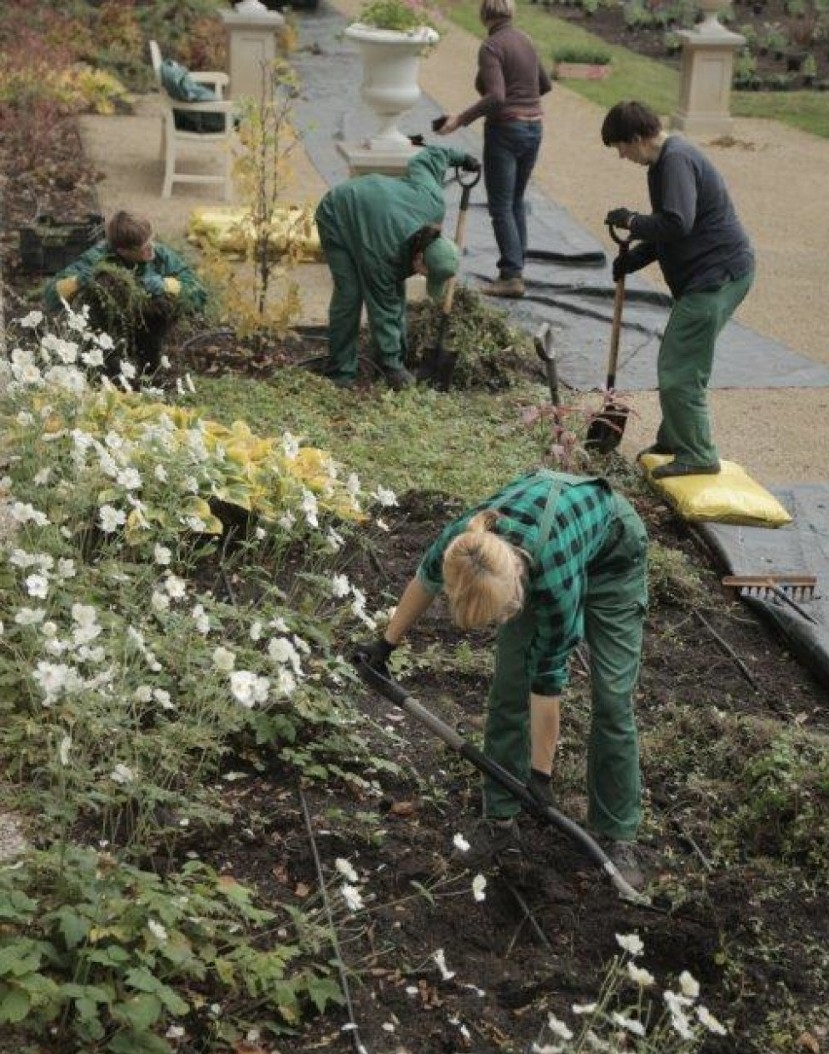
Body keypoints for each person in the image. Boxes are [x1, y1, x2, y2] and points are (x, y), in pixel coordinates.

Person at [357, 469, 649, 889]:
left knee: (613, 699)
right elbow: (425, 579)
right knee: (509, 686)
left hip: (612, 557)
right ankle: (500, 818)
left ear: (515, 592)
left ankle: (617, 832)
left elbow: (548, 682)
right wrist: (384, 645)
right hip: (538, 550)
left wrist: (541, 778)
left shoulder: (551, 581)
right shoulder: (466, 543)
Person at [601, 101, 755, 480]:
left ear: (637, 138)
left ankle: (698, 453)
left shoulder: (676, 161)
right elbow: (671, 230)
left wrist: (633, 220)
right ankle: (674, 439)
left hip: (716, 277)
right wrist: (634, 259)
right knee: (683, 358)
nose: (621, 155)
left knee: (679, 367)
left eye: (621, 146)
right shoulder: (663, 163)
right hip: (714, 275)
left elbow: (676, 223)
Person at [315, 145, 478, 391]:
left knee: (391, 284)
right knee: (350, 294)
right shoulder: (384, 256)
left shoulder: (433, 202)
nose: (423, 278)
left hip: (378, 213)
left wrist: (461, 158)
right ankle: (341, 372)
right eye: (425, 274)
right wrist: (395, 369)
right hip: (339, 211)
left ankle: (388, 356)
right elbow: (384, 308)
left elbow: (427, 160)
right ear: (420, 256)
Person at [437, 0, 551, 299]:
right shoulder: (526, 40)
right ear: (510, 12)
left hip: (506, 130)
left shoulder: (491, 46)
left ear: (483, 14)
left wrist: (459, 120)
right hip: (534, 128)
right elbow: (545, 84)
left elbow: (497, 97)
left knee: (501, 205)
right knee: (515, 200)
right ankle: (515, 270)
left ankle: (511, 276)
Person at [43, 210, 207, 377]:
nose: (151, 248)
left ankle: (151, 366)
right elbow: (50, 295)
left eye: (151, 240)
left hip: (151, 329)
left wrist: (167, 285)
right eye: (144, 247)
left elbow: (199, 292)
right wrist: (77, 281)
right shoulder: (98, 258)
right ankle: (107, 365)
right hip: (109, 329)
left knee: (161, 306)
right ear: (123, 251)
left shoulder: (161, 256)